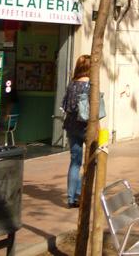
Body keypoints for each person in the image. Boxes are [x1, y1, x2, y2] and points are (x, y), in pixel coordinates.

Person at [61, 54, 91, 209]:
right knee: (91, 162)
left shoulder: (71, 84)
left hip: (71, 126)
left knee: (75, 163)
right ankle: (83, 195)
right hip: (87, 127)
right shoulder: (91, 85)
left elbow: (65, 105)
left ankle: (71, 198)